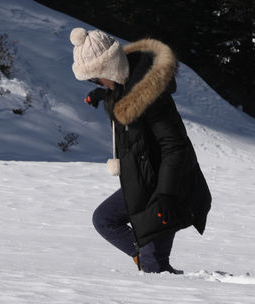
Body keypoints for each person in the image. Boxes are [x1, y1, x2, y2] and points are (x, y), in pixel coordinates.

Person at [70, 27, 211, 274]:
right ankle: (144, 257)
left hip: (168, 189)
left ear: (109, 68)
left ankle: (154, 264)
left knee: (155, 272)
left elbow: (174, 146)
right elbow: (124, 98)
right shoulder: (123, 84)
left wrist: (166, 195)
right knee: (104, 220)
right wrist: (103, 94)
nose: (96, 82)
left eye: (96, 77)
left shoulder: (150, 95)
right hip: (144, 183)